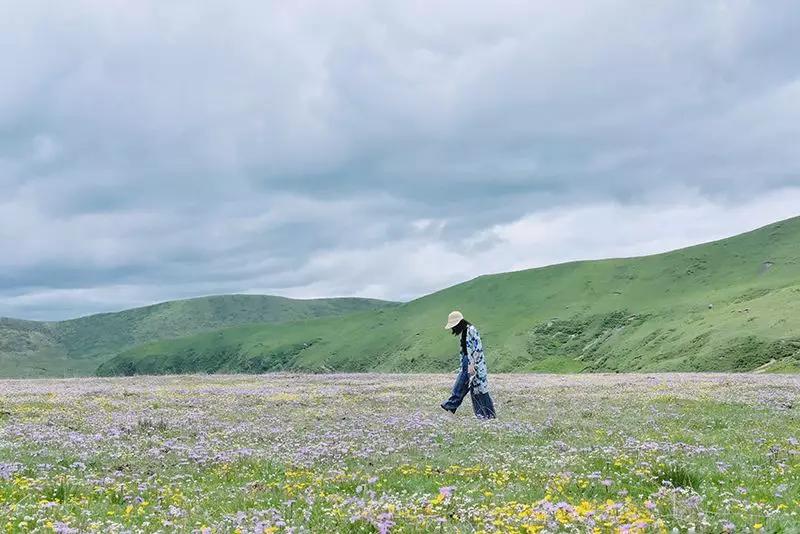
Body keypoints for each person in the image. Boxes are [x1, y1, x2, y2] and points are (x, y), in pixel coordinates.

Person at [440, 311, 496, 419]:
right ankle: (486, 416)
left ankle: (450, 407)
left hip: (473, 363)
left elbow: (477, 347)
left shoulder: (471, 330)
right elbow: (465, 351)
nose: (453, 329)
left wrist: (472, 364)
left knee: (469, 387)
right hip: (468, 362)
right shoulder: (464, 332)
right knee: (475, 390)